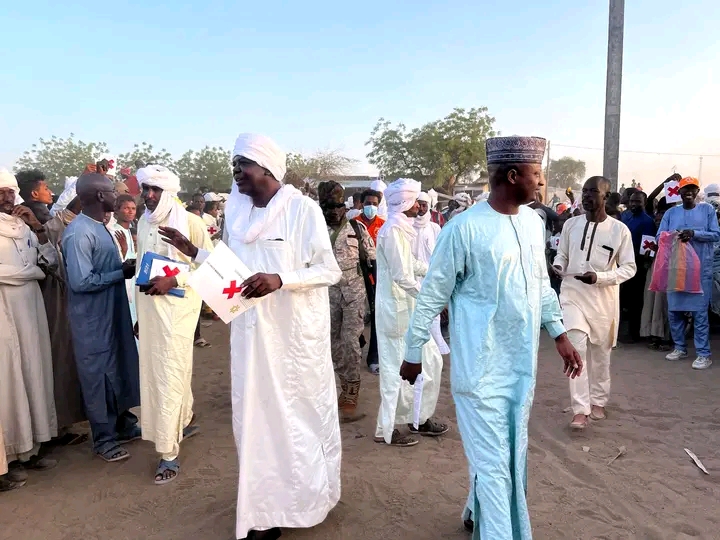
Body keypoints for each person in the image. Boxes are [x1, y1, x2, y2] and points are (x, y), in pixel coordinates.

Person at [160, 133, 342, 540]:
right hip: (250, 336)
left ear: (266, 167)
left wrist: (282, 279)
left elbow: (328, 270)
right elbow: (232, 271)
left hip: (294, 341)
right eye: (234, 166)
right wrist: (194, 251)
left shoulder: (302, 209)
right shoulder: (237, 213)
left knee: (298, 420)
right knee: (255, 421)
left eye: (242, 165)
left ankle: (308, 500)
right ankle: (263, 512)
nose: (236, 174)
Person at [401, 137, 582, 539]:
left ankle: (475, 509)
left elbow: (541, 285)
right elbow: (432, 294)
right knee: (495, 459)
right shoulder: (463, 228)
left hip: (520, 365)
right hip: (479, 369)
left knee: (509, 450)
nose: (541, 182)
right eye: (536, 174)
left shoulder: (533, 223)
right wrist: (414, 350)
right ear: (513, 175)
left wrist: (559, 333)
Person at [135, 165, 212, 485]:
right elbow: (142, 267)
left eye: (156, 190)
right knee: (166, 372)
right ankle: (184, 418)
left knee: (167, 375)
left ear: (169, 192)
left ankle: (168, 452)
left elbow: (211, 267)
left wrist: (174, 278)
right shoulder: (142, 221)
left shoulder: (191, 223)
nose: (150, 196)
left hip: (178, 313)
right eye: (146, 189)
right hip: (151, 312)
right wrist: (140, 315)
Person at [62, 173, 141, 463]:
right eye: (111, 190)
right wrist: (120, 273)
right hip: (92, 319)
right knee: (99, 376)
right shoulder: (79, 232)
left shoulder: (100, 226)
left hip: (112, 312)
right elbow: (81, 281)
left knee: (119, 366)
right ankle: (103, 440)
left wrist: (126, 266)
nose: (116, 195)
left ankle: (123, 425)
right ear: (99, 196)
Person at [554, 176, 636, 430]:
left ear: (607, 197)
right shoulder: (571, 224)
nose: (587, 196)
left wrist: (600, 277)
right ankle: (580, 409)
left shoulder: (619, 230)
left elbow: (629, 268)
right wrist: (558, 265)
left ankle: (598, 401)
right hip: (572, 296)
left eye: (593, 192)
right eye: (585, 191)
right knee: (575, 350)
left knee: (601, 355)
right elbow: (563, 253)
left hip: (603, 302)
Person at [374, 178, 447, 448]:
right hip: (395, 312)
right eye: (415, 200)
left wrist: (436, 272)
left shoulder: (401, 228)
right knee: (395, 372)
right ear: (405, 202)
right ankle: (386, 429)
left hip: (408, 309)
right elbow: (402, 276)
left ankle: (420, 418)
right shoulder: (392, 230)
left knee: (430, 362)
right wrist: (430, 299)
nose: (419, 205)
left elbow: (411, 264)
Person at [0, 168, 59, 478]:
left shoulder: (23, 228)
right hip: (4, 314)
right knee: (8, 378)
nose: (8, 198)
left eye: (10, 191)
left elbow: (49, 263)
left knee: (32, 372)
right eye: (1, 192)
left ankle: (32, 447)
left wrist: (37, 229)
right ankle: (10, 453)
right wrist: (31, 273)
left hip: (31, 310)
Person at [319, 181, 375, 422]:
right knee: (332, 342)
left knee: (350, 341)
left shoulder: (357, 227)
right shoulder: (315, 230)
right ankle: (339, 386)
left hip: (353, 294)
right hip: (325, 295)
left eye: (337, 206)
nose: (333, 211)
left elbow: (371, 259)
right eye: (328, 207)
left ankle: (351, 390)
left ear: (345, 207)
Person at [658, 176, 720, 370]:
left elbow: (716, 234)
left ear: (697, 191)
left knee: (700, 313)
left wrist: (694, 234)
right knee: (674, 310)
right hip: (677, 269)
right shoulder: (671, 213)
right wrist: (675, 234)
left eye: (692, 188)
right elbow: (660, 236)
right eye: (685, 189)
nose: (689, 192)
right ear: (679, 192)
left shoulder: (707, 210)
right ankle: (680, 347)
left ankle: (703, 354)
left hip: (701, 270)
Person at [41, 189, 87, 443]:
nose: (48, 191)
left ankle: (59, 427)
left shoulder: (34, 224)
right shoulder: (35, 220)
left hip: (58, 306)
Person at [412, 192, 450, 355]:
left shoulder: (435, 228)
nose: (421, 208)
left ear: (429, 206)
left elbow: (442, 254)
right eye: (418, 204)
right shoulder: (407, 226)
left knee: (433, 312)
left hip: (430, 276)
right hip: (412, 277)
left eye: (424, 205)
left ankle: (435, 346)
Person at [353, 188, 385, 373]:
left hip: (377, 279)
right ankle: (353, 354)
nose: (370, 207)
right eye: (367, 204)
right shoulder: (352, 224)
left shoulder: (384, 225)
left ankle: (374, 357)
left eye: (374, 204)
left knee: (376, 318)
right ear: (361, 204)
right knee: (354, 319)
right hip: (355, 279)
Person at [620, 191, 657, 343]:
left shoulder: (647, 221)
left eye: (638, 202)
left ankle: (634, 333)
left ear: (644, 202)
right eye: (632, 201)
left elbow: (647, 247)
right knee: (623, 300)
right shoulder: (626, 216)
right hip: (622, 263)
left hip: (637, 265)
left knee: (635, 301)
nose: (634, 204)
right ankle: (623, 330)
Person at [640, 197, 673, 350]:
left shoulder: (676, 224)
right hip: (654, 265)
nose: (660, 219)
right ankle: (651, 333)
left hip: (669, 265)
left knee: (663, 302)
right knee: (651, 300)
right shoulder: (654, 221)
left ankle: (664, 335)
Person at [112, 194, 138, 330]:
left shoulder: (129, 232)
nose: (130, 211)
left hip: (133, 283)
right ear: (117, 211)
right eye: (126, 208)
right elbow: (115, 262)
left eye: (133, 208)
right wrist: (123, 251)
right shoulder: (114, 232)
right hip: (123, 282)